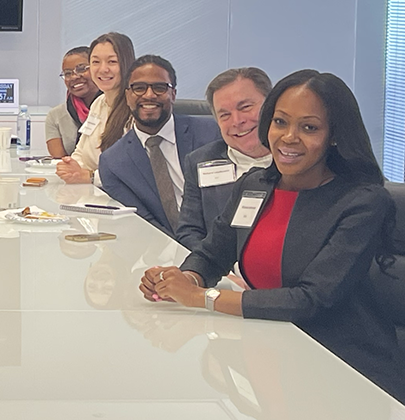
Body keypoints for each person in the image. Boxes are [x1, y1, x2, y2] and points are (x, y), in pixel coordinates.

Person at [141, 70, 403, 401]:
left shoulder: (362, 202)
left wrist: (200, 298)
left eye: (309, 127)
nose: (289, 137)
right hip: (268, 347)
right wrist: (183, 279)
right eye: (280, 122)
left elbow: (311, 299)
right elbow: (213, 253)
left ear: (334, 135)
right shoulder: (254, 186)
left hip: (342, 368)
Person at [98, 55, 219, 237]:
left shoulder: (212, 134)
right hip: (166, 252)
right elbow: (144, 224)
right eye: (139, 88)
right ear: (127, 96)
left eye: (159, 87)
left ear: (173, 94)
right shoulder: (113, 163)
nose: (149, 95)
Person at [175, 68, 274, 250]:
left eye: (245, 107)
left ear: (272, 105)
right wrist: (217, 272)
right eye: (225, 115)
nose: (237, 121)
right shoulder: (199, 162)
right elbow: (189, 232)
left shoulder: (299, 159)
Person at [57, 32, 136, 184]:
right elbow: (82, 150)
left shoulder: (137, 110)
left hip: (123, 199)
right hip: (96, 192)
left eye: (112, 62)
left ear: (126, 64)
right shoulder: (99, 103)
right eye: (95, 62)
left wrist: (91, 177)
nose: (103, 69)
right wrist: (73, 165)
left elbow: (133, 169)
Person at [44, 46, 101, 158]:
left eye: (81, 69)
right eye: (68, 73)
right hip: (72, 173)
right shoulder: (55, 115)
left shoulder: (112, 109)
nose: (74, 77)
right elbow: (60, 161)